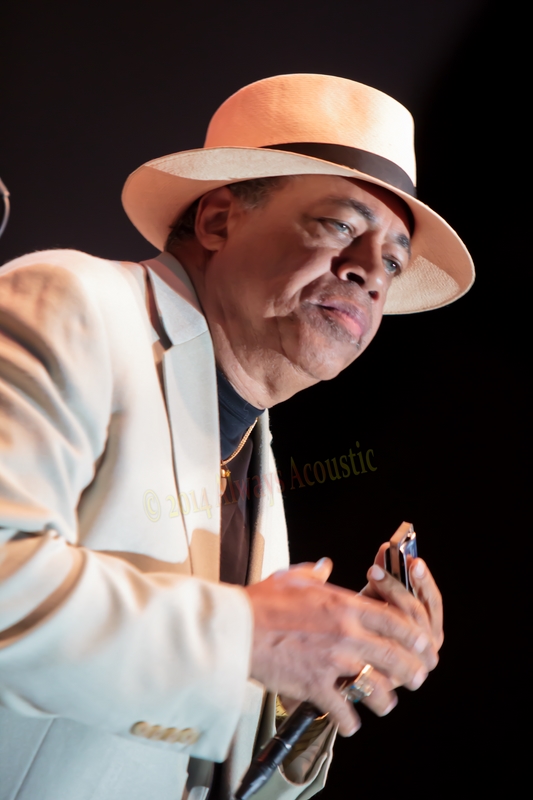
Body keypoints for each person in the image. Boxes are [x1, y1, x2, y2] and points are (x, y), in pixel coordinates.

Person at [0, 74, 474, 800]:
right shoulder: (74, 303)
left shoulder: (255, 449)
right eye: (340, 226)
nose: (368, 274)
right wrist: (248, 637)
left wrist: (316, 680)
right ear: (218, 220)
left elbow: (186, 748)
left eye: (390, 261)